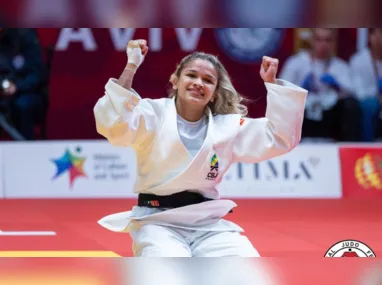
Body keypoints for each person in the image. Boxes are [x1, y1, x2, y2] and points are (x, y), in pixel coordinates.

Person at [93, 39, 307, 257]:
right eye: (191, 75)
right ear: (175, 81)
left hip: (208, 224)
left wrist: (272, 84)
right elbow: (113, 124)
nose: (198, 83)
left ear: (214, 93)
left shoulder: (228, 127)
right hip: (156, 222)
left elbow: (279, 137)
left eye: (207, 80)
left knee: (247, 267)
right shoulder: (151, 114)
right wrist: (132, 65)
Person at [279, 28, 361, 142]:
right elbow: (280, 90)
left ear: (333, 43)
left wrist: (337, 86)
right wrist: (298, 88)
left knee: (351, 105)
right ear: (312, 40)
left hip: (330, 113)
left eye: (328, 40)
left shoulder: (339, 66)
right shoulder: (296, 62)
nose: (323, 44)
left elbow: (354, 93)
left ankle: (347, 147)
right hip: (303, 111)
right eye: (319, 40)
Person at [0, 28, 46, 140]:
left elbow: (36, 74)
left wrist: (17, 86)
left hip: (24, 92)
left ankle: (27, 150)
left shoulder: (25, 34)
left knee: (23, 105)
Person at [349, 28, 382, 141]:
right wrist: (377, 93)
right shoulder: (359, 60)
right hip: (370, 103)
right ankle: (367, 145)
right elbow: (359, 92)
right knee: (369, 105)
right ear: (371, 37)